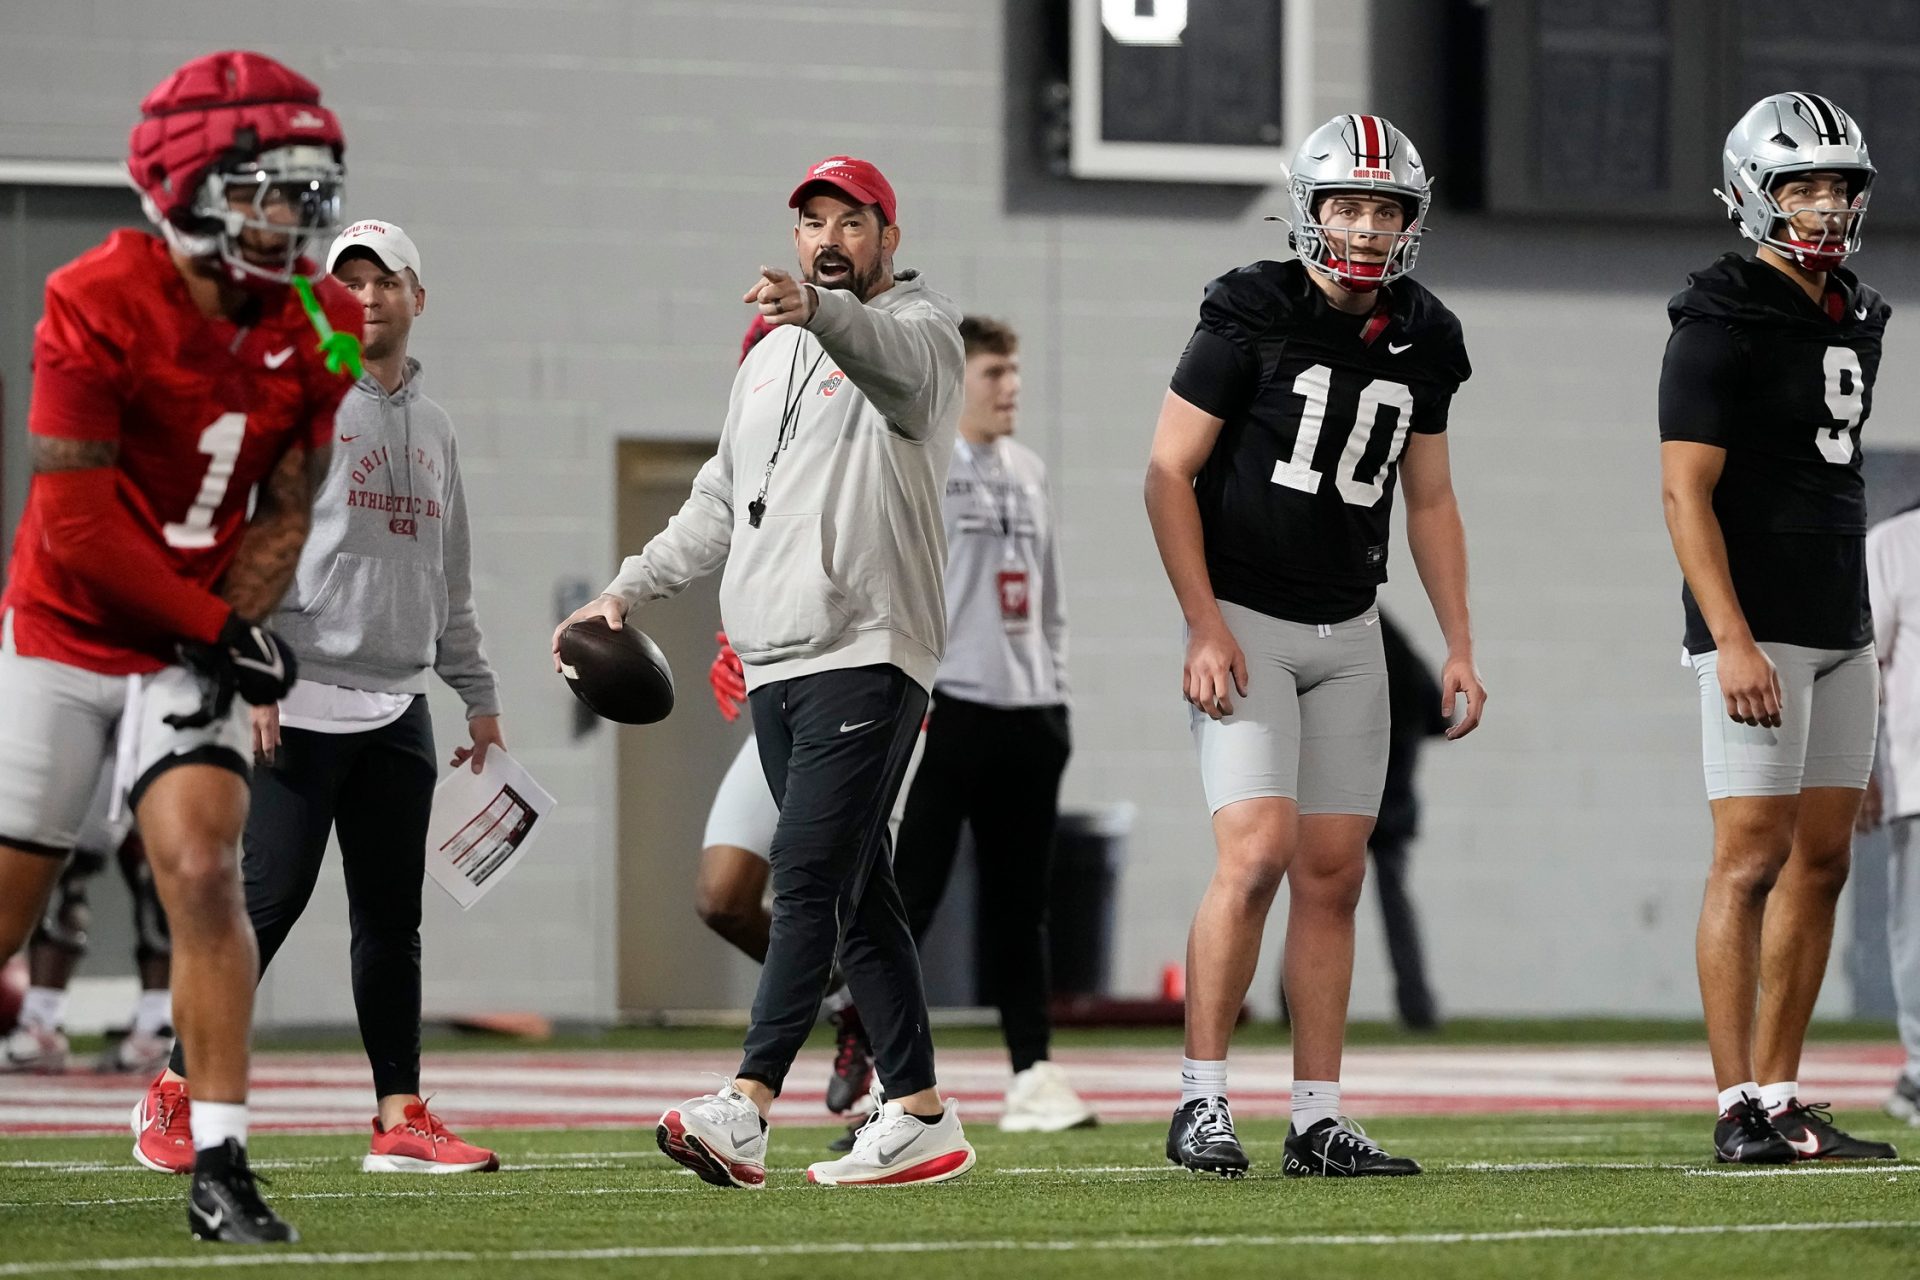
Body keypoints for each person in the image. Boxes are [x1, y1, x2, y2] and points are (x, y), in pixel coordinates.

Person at [555, 156, 974, 1188]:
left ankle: (746, 1104)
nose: (828, 238)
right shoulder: (768, 361)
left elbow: (895, 371)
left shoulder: (922, 334)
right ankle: (919, 1108)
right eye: (811, 223)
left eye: (851, 222)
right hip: (780, 661)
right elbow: (716, 500)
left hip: (869, 647)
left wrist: (818, 313)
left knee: (804, 876)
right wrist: (625, 589)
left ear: (890, 237)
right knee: (856, 890)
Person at [0, 50, 355, 1242]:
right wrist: (221, 629)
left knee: (203, 871)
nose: (294, 217)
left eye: (309, 190)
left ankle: (221, 1160)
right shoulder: (89, 295)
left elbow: (294, 495)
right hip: (64, 629)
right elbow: (76, 524)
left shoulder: (331, 317)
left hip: (185, 641)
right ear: (185, 183)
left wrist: (235, 624)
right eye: (266, 188)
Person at [1143, 114, 1485, 1179]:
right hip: (1247, 616)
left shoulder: (1426, 332)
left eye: (1386, 209)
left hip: (1352, 630)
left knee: (1333, 876)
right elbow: (1166, 474)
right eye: (1348, 205)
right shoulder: (1250, 307)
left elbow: (1429, 500)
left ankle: (1316, 1115)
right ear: (1310, 208)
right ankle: (1201, 1099)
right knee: (1253, 856)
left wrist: (1460, 642)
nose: (1368, 227)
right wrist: (1202, 619)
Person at [137, 218, 503, 1176]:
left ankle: (399, 1117)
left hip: (397, 708)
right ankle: (175, 1090)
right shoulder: (296, 401)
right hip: (296, 699)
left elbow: (449, 579)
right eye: (349, 284)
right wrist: (250, 670)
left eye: (386, 281)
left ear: (418, 299)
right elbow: (248, 543)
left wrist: (479, 695)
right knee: (263, 907)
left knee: (392, 923)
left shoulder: (438, 427)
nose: (368, 298)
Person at [1659, 91, 1898, 1164]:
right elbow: (1683, 495)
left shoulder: (1856, 311)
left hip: (1841, 618)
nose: (1827, 204)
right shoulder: (1717, 315)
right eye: (1803, 183)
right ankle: (1733, 1102)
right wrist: (1732, 634)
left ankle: (1785, 1089)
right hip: (1756, 622)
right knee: (1747, 857)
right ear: (1753, 189)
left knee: (1825, 860)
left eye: (1839, 184)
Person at [891, 315, 1093, 1132]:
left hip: (1030, 713)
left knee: (1022, 907)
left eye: (1014, 373)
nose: (1010, 389)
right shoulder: (925, 464)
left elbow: (1050, 596)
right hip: (954, 705)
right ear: (958, 382)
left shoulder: (1031, 471)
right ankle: (889, 1078)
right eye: (993, 375)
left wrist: (1056, 690)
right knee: (913, 897)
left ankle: (1033, 1075)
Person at [2, 773, 173, 1076]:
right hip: (132, 737)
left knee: (147, 860)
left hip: (134, 736)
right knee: (143, 863)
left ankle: (154, 1023)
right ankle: (153, 1025)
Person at [1859, 504, 1920, 1126]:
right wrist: (1864, 766)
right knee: (1918, 930)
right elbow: (1864, 667)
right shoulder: (1895, 543)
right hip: (1916, 772)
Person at [1370, 610, 1447, 1031]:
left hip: (1347, 802)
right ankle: (1416, 1005)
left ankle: (1292, 1005)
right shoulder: (1410, 666)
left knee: (1316, 903)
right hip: (1396, 804)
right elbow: (1442, 719)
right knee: (1397, 907)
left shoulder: (1356, 664)